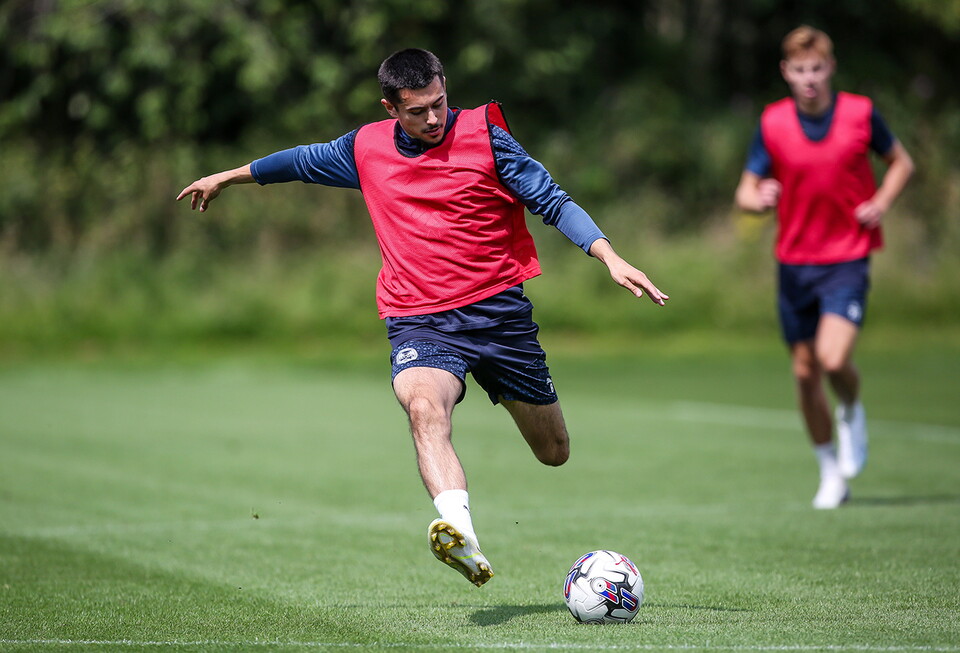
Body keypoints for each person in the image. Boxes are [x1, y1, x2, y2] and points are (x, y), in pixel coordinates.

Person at [177, 48, 668, 585]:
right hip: (420, 317)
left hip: (499, 316)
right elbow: (299, 161)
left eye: (439, 104)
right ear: (390, 107)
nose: (433, 119)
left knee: (554, 452)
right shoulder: (364, 148)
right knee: (423, 409)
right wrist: (227, 176)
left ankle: (476, 497)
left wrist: (608, 254)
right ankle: (460, 532)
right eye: (417, 111)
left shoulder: (487, 138)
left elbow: (551, 200)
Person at [734, 26, 914, 509]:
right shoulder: (772, 122)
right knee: (805, 372)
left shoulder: (860, 113)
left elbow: (901, 162)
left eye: (817, 68)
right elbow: (745, 191)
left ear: (829, 68)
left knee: (834, 359)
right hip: (794, 264)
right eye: (799, 70)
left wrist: (881, 200)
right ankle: (831, 472)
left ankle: (852, 408)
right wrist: (759, 199)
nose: (809, 78)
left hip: (847, 258)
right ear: (786, 73)